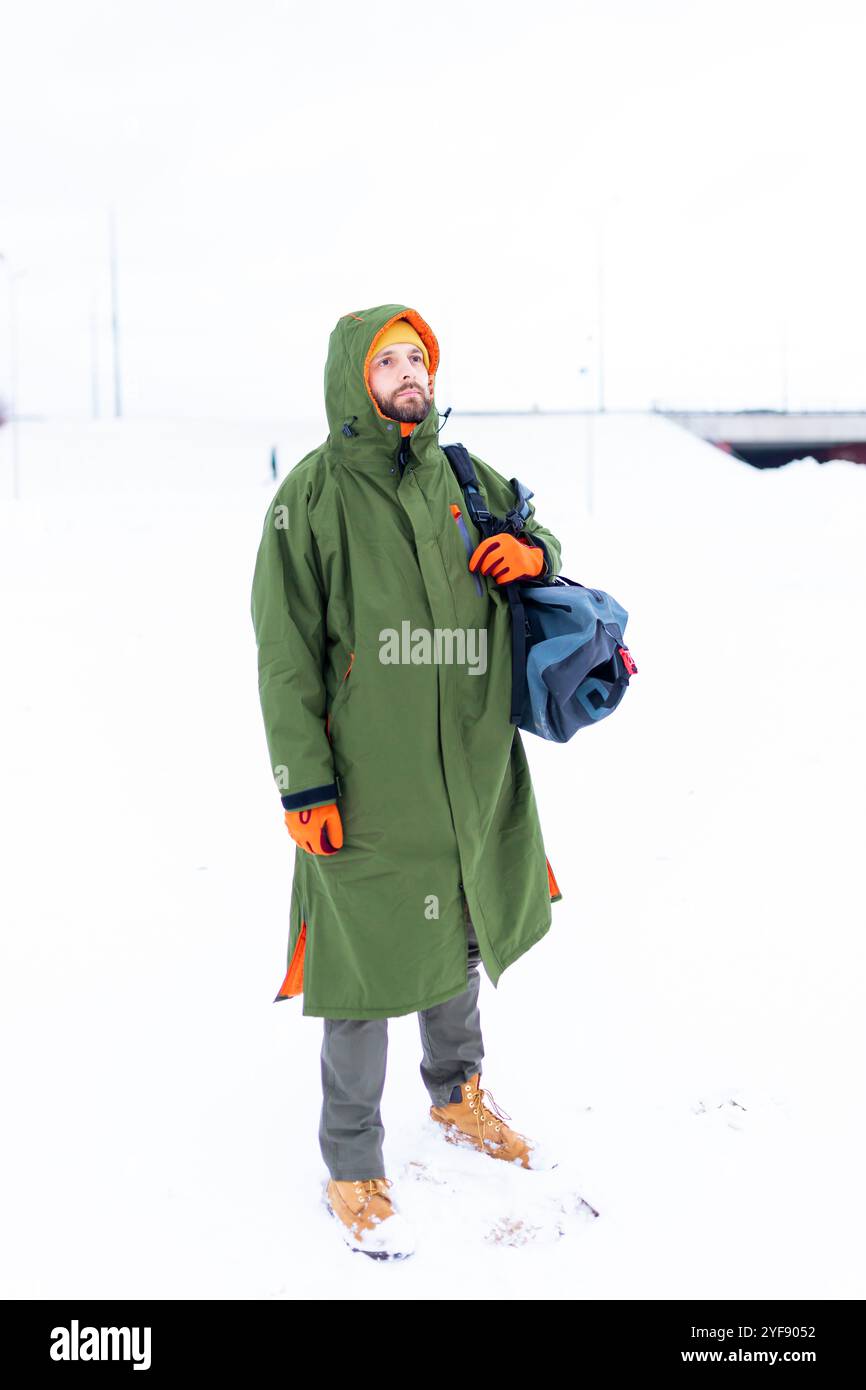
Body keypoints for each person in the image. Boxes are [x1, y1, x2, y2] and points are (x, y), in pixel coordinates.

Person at [250, 303, 564, 1259]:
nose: (408, 372)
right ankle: (352, 1162)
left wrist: (536, 554)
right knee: (359, 971)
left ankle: (457, 1094)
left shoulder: (465, 478)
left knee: (459, 929)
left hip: (468, 766)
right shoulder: (309, 497)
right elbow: (285, 655)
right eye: (388, 360)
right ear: (356, 377)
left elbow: (545, 544)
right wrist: (305, 785)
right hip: (367, 782)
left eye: (417, 358)